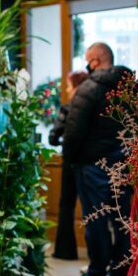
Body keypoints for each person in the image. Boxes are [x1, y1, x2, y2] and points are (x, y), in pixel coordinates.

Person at [62, 42, 135, 276]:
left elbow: (73, 131)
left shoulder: (88, 89)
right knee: (123, 221)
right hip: (124, 164)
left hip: (91, 166)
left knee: (96, 221)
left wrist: (71, 159)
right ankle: (120, 273)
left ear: (94, 61)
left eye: (88, 60)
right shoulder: (131, 87)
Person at [49, 69, 89, 260]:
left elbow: (53, 137)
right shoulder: (94, 108)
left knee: (66, 205)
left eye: (68, 85)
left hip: (70, 162)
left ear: (75, 86)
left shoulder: (68, 108)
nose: (66, 89)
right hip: (90, 163)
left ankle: (65, 250)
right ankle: (98, 256)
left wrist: (61, 142)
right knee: (92, 208)